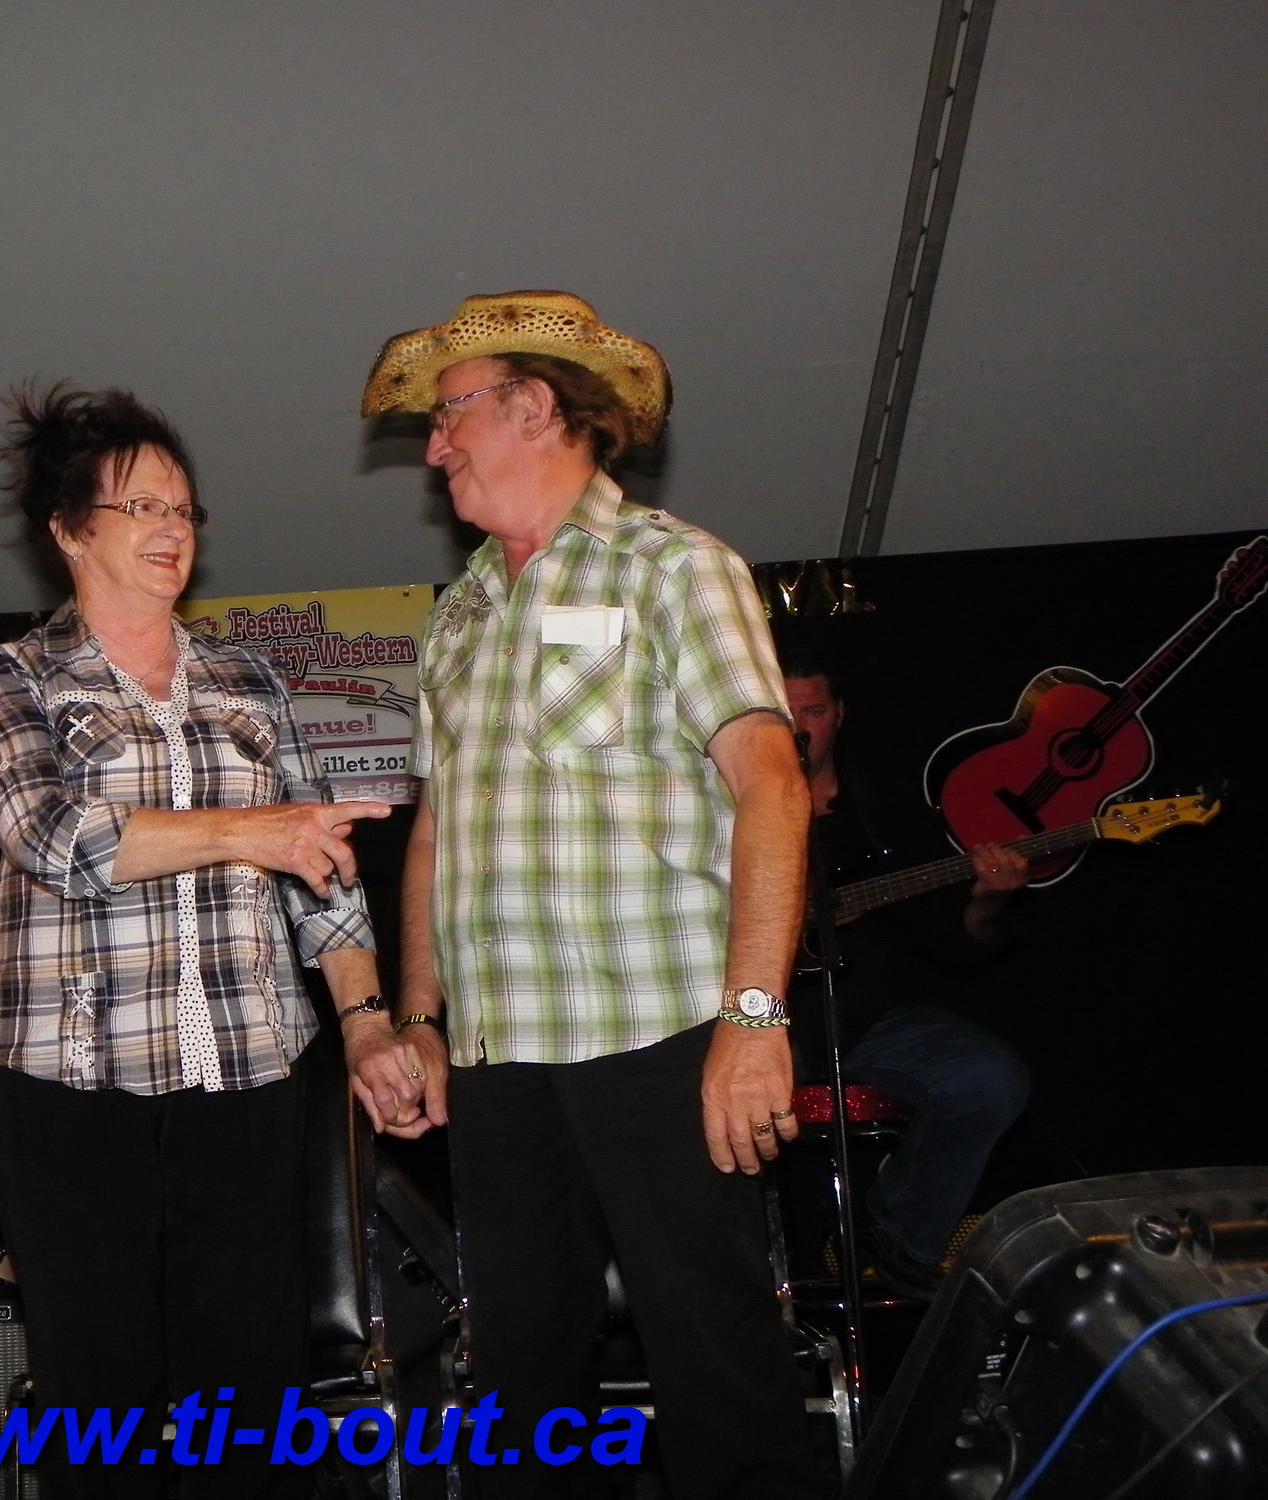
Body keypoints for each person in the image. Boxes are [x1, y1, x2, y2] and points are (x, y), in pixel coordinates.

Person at [358, 292, 823, 1498]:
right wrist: (420, 1016)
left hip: (659, 1036)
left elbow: (772, 787)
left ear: (533, 408)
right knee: (522, 1396)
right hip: (501, 1058)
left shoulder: (672, 566)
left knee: (718, 1371)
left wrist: (753, 1020)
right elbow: (435, 834)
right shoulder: (458, 616)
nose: (434, 447)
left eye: (451, 415)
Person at [0, 385, 419, 1499]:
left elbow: (322, 868)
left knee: (249, 1393)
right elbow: (50, 836)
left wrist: (366, 1026)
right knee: (99, 1397)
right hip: (72, 1082)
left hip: (247, 1071)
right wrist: (248, 830)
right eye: (141, 507)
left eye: (184, 509)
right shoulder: (7, 674)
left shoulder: (248, 679)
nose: (172, 529)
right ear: (70, 530)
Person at [781, 652, 1032, 1300]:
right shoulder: (715, 809)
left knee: (987, 1075)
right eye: (783, 712)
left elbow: (950, 942)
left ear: (840, 716)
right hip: (752, 1027)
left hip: (864, 1024)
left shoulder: (879, 812)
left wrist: (987, 900)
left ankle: (896, 1243)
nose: (799, 728)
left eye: (813, 711)